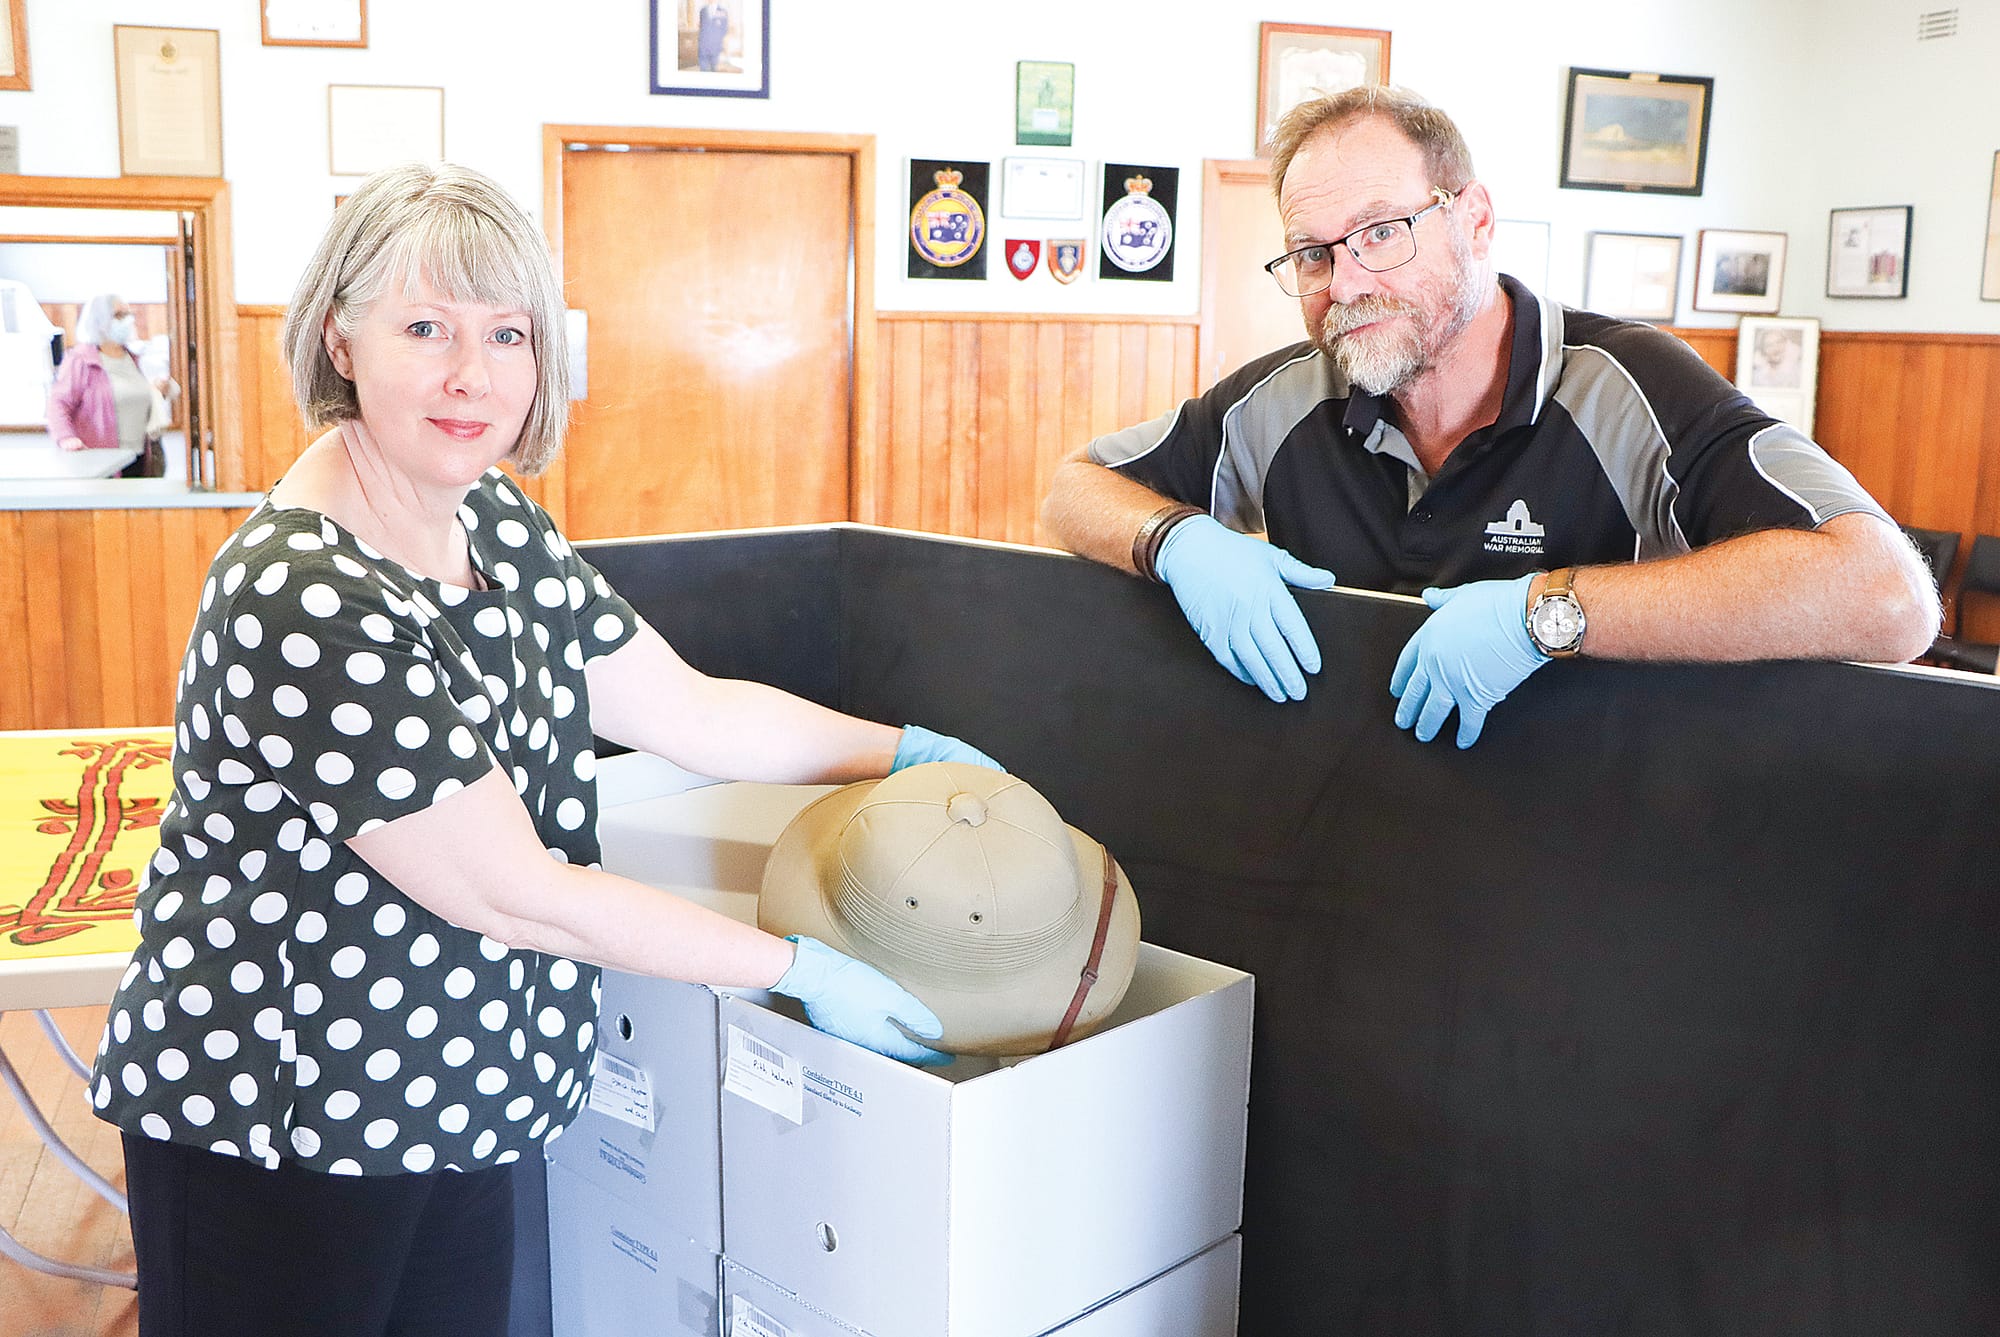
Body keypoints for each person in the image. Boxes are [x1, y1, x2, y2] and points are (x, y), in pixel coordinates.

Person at [86, 161, 999, 1337]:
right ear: (339, 340)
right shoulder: (303, 592)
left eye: (506, 332)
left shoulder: (490, 517)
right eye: (424, 325)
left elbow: (688, 709)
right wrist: (794, 969)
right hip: (287, 1116)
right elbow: (517, 894)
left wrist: (906, 752)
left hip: (453, 1093)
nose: (472, 373)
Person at [1041, 85, 1937, 746]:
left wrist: (1551, 614)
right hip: (1357, 834)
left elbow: (1889, 597)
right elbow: (1075, 490)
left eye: (1381, 231)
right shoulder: (1283, 397)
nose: (1345, 282)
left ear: (1473, 220)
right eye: (1310, 254)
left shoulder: (1628, 386)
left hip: (1592, 861)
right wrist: (1178, 542)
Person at [47, 291, 173, 477]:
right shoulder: (81, 359)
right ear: (100, 321)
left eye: (129, 314)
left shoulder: (133, 358)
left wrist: (158, 390)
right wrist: (66, 438)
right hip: (101, 462)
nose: (128, 320)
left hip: (139, 457)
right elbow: (58, 404)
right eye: (120, 315)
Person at [696, 0, 728, 72]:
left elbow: (724, 30)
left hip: (716, 47)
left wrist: (721, 45)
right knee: (703, 70)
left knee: (714, 70)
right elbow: (701, 26)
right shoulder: (702, 10)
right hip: (703, 46)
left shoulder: (723, 12)